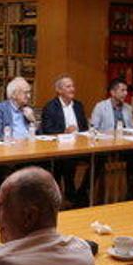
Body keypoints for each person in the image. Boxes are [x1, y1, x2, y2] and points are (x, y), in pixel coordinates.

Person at [41, 75, 91, 205]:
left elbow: (84, 127)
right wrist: (64, 132)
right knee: (66, 161)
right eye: (68, 86)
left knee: (99, 159)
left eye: (73, 86)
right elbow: (47, 129)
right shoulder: (50, 107)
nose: (72, 89)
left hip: (80, 146)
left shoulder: (78, 106)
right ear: (59, 90)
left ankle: (82, 191)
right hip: (59, 148)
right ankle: (68, 193)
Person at [91, 78, 133, 199]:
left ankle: (130, 187)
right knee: (98, 158)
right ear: (112, 92)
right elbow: (93, 128)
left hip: (124, 145)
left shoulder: (128, 108)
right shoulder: (101, 107)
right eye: (122, 90)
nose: (126, 93)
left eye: (126, 90)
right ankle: (87, 189)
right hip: (105, 146)